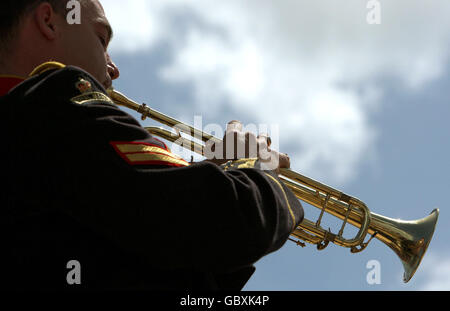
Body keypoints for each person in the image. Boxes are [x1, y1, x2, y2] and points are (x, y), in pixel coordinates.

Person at [1, 0, 304, 290]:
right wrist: (254, 165)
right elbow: (228, 222)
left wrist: (192, 178)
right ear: (48, 21)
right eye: (101, 39)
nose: (113, 68)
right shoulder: (54, 98)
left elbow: (152, 253)